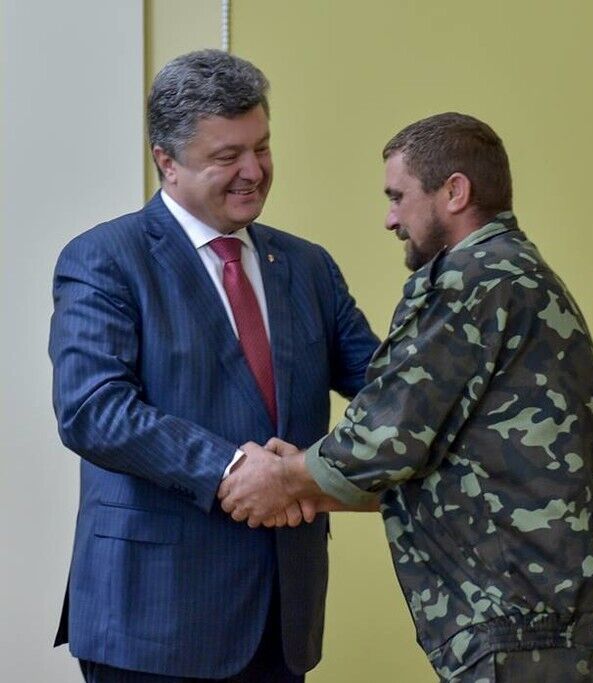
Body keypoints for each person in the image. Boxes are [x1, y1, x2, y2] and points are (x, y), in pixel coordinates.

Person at [218, 112, 593, 682]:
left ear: (454, 192)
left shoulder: (474, 279)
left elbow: (385, 439)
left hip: (528, 620)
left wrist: (283, 479)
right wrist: (308, 485)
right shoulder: (513, 272)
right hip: (556, 611)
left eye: (398, 196)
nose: (390, 218)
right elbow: (448, 460)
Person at [48, 49, 379, 681]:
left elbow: (387, 391)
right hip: (151, 620)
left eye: (263, 147)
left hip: (282, 616)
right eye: (228, 156)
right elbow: (93, 410)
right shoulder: (105, 259)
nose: (254, 171)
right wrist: (230, 469)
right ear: (167, 161)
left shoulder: (308, 266)